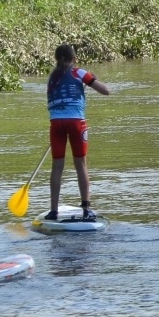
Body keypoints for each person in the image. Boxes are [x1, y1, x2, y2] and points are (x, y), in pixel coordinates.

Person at [46, 44, 111, 221]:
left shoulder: (52, 78)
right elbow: (106, 91)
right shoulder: (79, 72)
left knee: (57, 167)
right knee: (80, 164)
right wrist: (92, 80)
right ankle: (86, 208)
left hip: (56, 124)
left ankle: (53, 211)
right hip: (76, 123)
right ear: (74, 59)